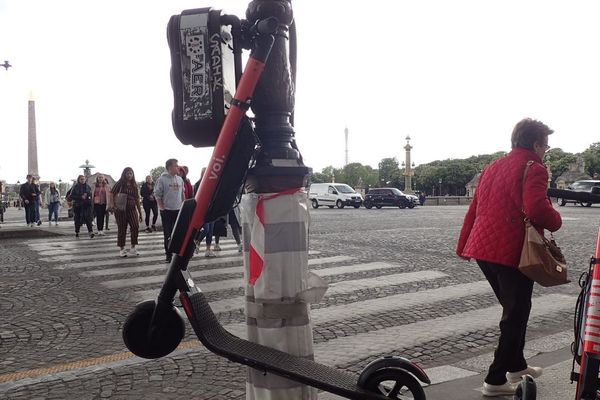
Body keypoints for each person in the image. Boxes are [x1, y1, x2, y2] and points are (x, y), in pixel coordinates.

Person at [456, 118, 562, 397]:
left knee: (515, 308)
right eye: (546, 146)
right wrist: (557, 221)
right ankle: (495, 379)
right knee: (515, 315)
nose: (545, 151)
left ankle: (517, 366)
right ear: (536, 144)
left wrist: (463, 244)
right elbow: (538, 208)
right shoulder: (534, 167)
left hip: (484, 249)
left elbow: (474, 208)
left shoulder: (493, 166)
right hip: (511, 251)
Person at [154, 159, 184, 263]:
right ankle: (168, 254)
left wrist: (183, 205)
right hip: (167, 210)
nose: (178, 167)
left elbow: (182, 194)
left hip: (178, 210)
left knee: (178, 233)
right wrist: (162, 207)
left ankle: (177, 253)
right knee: (168, 233)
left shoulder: (180, 179)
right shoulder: (162, 179)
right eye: (176, 165)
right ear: (170, 167)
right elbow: (157, 194)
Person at [111, 167, 143, 257]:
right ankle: (122, 249)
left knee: (135, 226)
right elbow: (111, 193)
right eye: (128, 173)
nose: (129, 175)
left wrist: (140, 213)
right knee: (122, 229)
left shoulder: (134, 185)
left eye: (131, 173)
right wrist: (113, 206)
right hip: (120, 209)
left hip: (132, 209)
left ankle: (133, 247)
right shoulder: (120, 183)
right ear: (124, 174)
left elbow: (137, 199)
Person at [193, 168, 216, 258]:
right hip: (202, 210)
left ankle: (208, 249)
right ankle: (196, 242)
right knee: (206, 229)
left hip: (211, 209)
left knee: (210, 231)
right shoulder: (198, 184)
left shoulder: (214, 183)